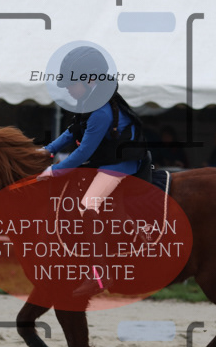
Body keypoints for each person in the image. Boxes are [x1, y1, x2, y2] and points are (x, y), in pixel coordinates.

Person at [38, 46, 147, 296]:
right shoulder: (89, 101)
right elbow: (73, 132)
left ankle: (100, 274)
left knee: (88, 206)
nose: (67, 88)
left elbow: (83, 152)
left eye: (71, 83)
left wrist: (54, 171)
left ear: (89, 80)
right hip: (106, 159)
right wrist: (47, 150)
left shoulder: (100, 111)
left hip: (120, 163)